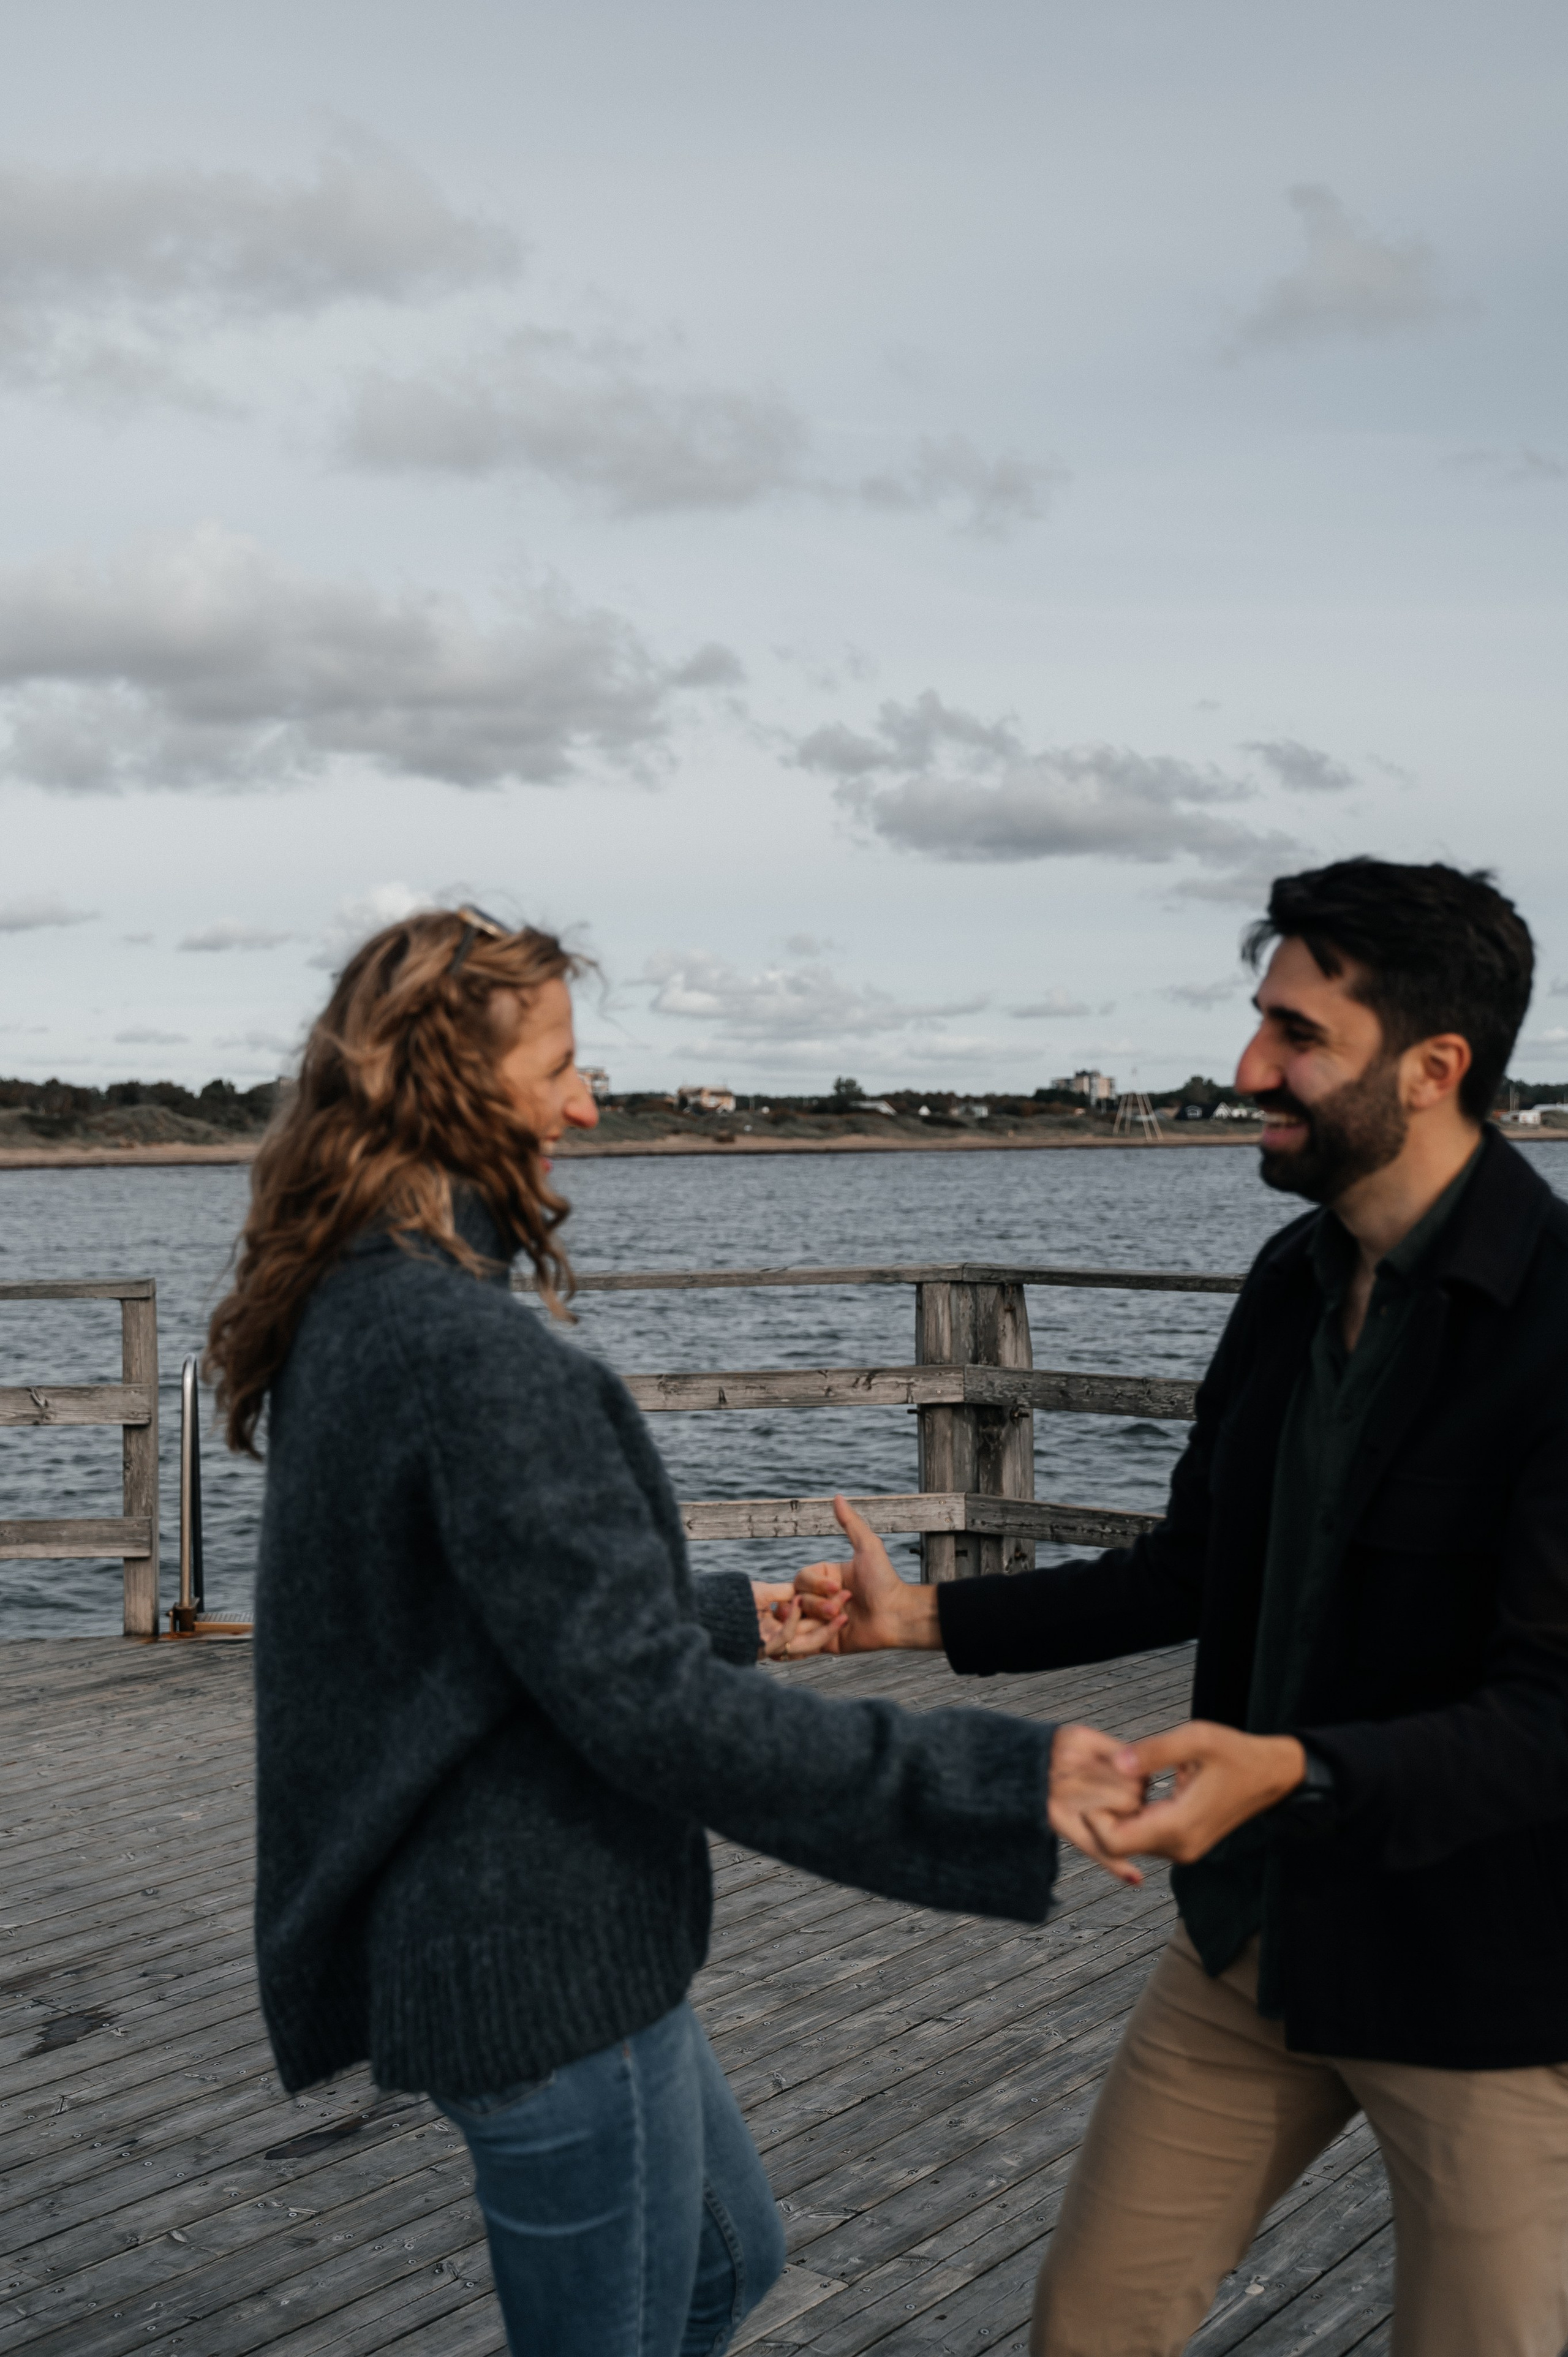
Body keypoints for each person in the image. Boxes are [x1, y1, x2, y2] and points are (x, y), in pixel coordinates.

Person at [205, 904, 1141, 2357]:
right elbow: (649, 1713)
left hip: (554, 1931)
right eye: (562, 1068)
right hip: (532, 1954)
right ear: (454, 1085)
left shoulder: (359, 1305)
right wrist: (1003, 1781)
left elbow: (467, 1617)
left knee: (721, 2264)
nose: (586, 1102)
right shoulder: (464, 1352)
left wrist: (723, 1612)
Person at [795, 859, 1568, 2357]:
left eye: (1293, 1035)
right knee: (1091, 2325)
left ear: (1432, 1068)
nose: (1244, 1070)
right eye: (1254, 1022)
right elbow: (1189, 1567)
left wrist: (1294, 1768)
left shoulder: (1556, 1327)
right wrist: (926, 1625)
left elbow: (1552, 1715)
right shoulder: (1290, 1280)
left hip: (1487, 1977)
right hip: (1251, 1934)